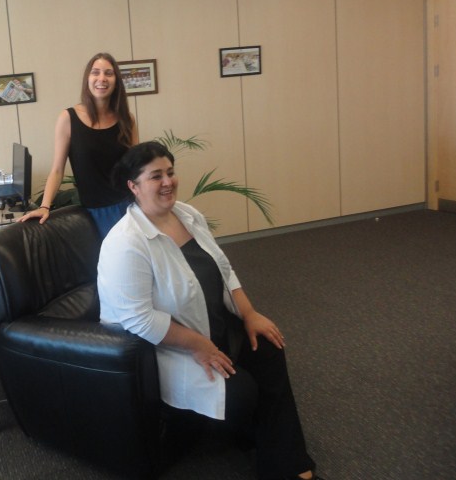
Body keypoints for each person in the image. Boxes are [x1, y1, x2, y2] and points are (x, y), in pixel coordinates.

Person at [97, 141, 322, 480]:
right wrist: (198, 345)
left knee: (268, 348)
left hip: (212, 324)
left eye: (170, 172)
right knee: (240, 395)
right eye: (155, 176)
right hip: (167, 347)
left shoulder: (187, 215)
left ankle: (290, 467)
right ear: (134, 186)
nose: (168, 182)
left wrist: (249, 314)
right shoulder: (125, 242)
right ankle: (256, 434)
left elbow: (223, 269)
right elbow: (138, 319)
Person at [18, 52, 137, 237]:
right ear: (87, 79)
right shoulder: (68, 118)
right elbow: (57, 170)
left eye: (108, 73)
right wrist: (44, 206)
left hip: (131, 207)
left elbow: (137, 168)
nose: (102, 78)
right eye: (95, 72)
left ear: (116, 81)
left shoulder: (127, 119)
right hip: (96, 213)